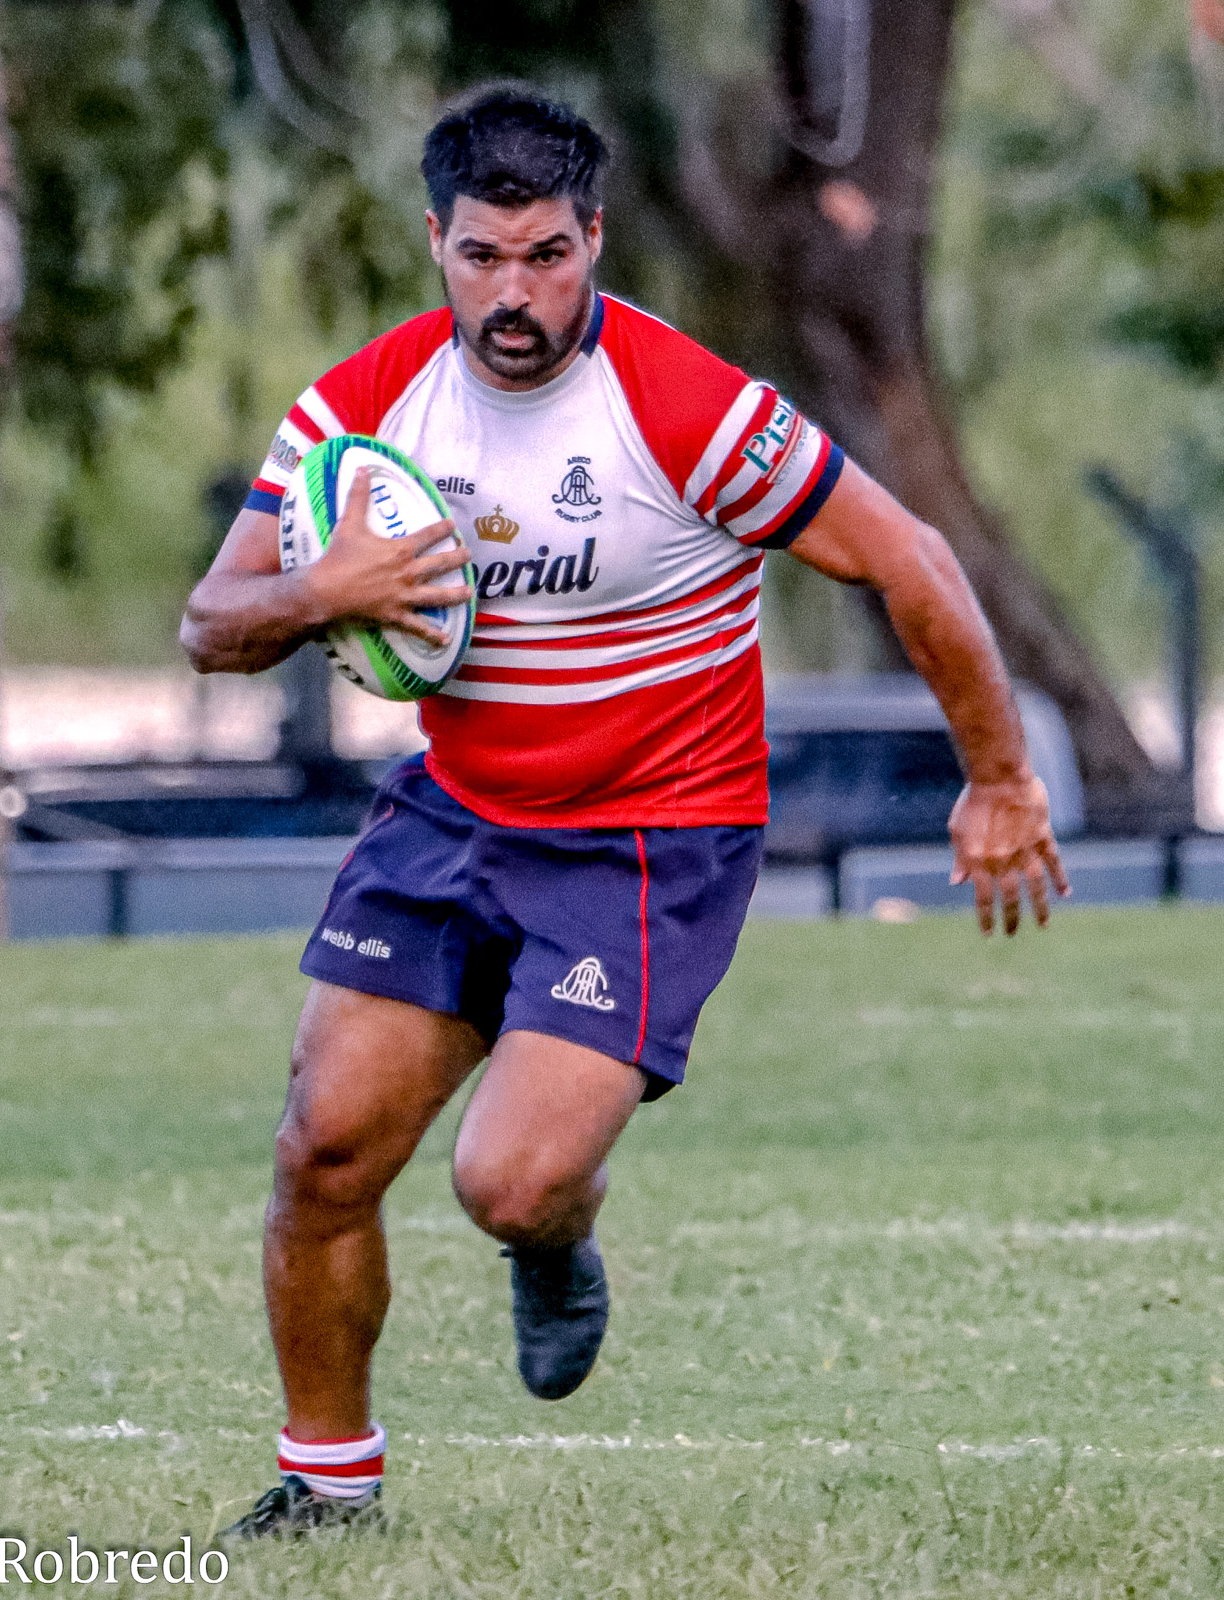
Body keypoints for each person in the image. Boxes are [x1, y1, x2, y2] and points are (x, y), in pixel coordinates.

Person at [181, 83, 1069, 1537]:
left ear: (594, 237)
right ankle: (326, 1493)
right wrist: (315, 591)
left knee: (509, 1183)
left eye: (546, 255)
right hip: (455, 817)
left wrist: (999, 776)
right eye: (481, 256)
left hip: (644, 842)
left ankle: (559, 1235)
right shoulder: (364, 409)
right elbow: (212, 621)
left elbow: (909, 560)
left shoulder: (686, 409)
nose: (512, 292)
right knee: (322, 1148)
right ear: (435, 241)